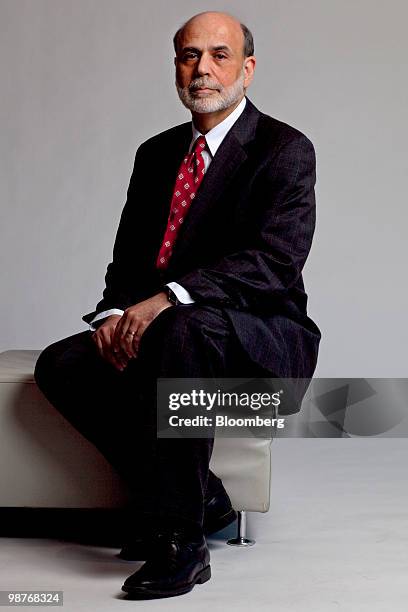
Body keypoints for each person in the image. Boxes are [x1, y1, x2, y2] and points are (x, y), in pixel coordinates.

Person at [34, 10, 321, 599]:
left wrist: (166, 299)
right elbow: (128, 262)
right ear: (175, 67)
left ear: (248, 67)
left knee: (181, 329)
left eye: (219, 55)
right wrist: (114, 316)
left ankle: (179, 537)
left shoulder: (284, 150)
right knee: (62, 364)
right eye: (190, 56)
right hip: (175, 328)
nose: (203, 69)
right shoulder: (156, 154)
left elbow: (273, 262)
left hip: (263, 340)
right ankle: (206, 498)